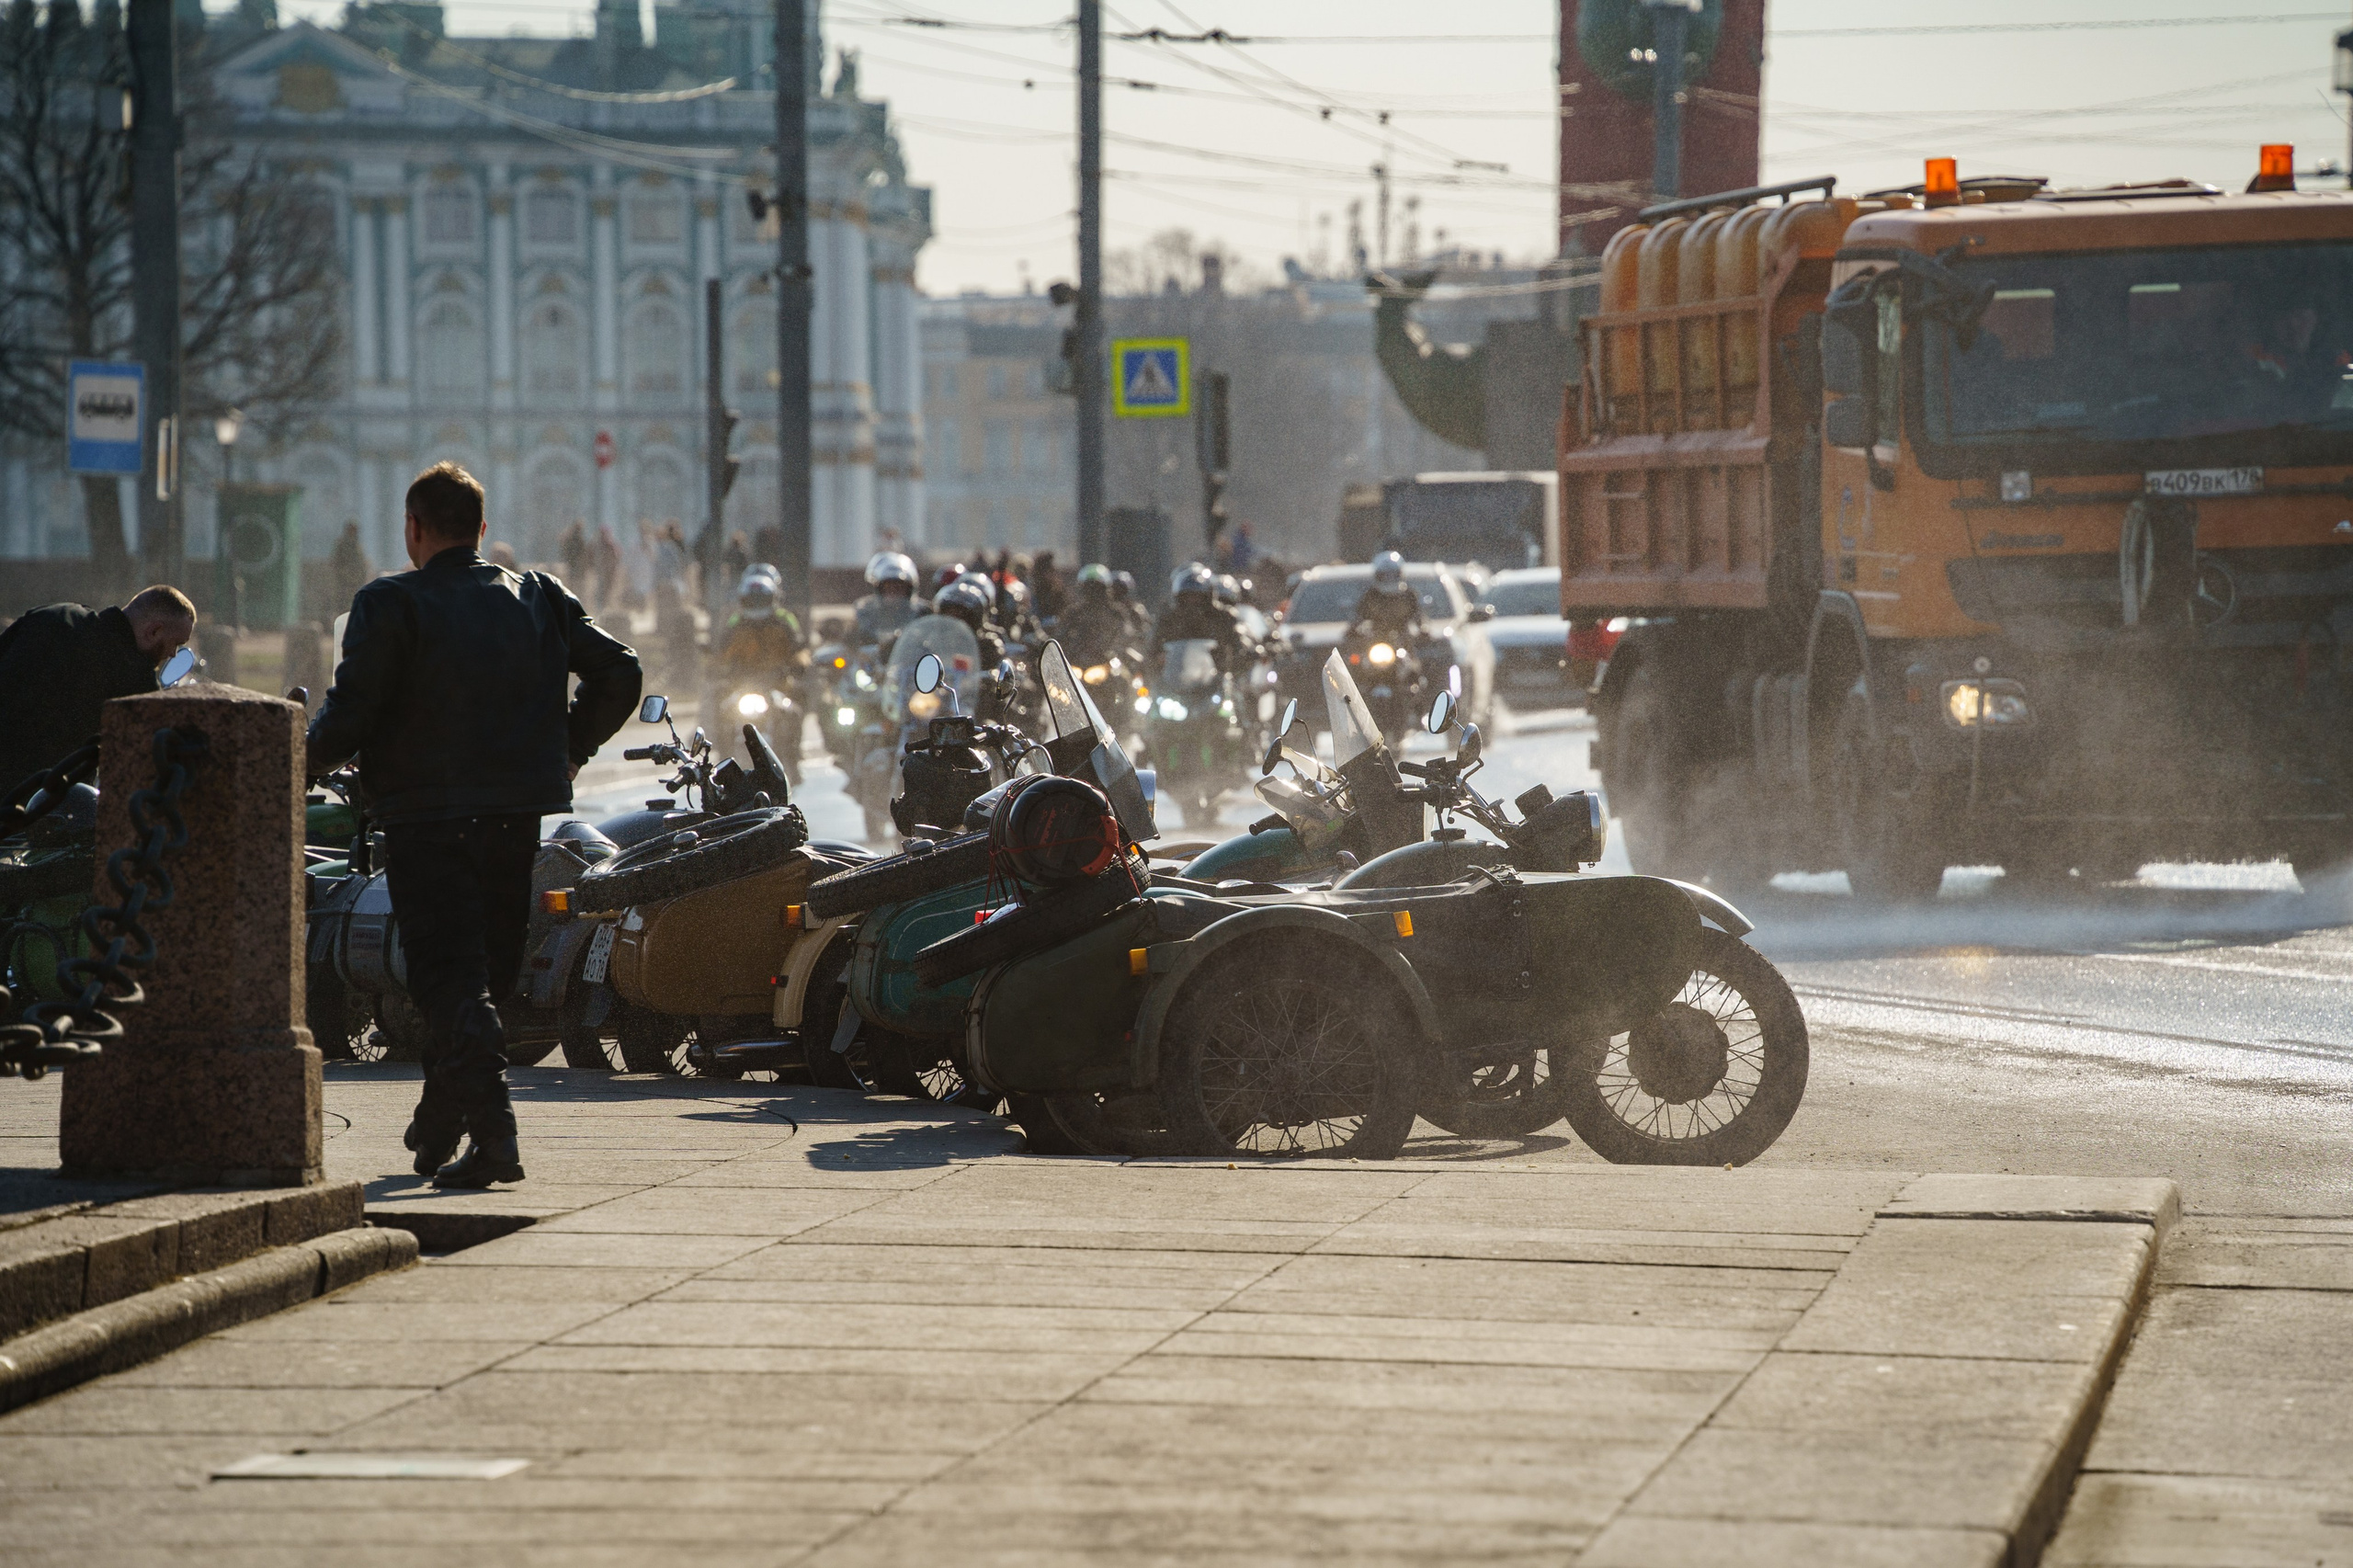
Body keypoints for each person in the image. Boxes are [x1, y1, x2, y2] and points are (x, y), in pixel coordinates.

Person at [307, 462, 639, 1189]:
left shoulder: (388, 602)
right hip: (513, 820)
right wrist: (570, 747)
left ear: (413, 528)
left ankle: (494, 1137)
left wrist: (293, 764)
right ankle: (439, 1121)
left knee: (445, 980)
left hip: (426, 820)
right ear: (482, 530)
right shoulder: (539, 596)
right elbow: (621, 672)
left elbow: (349, 716)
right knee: (478, 978)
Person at [0, 585, 197, 794]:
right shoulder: (136, 681)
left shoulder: (54, 615)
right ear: (154, 631)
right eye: (176, 644)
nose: (173, 654)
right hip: (47, 800)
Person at [714, 566, 805, 706]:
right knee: (721, 703)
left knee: (795, 705)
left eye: (762, 599)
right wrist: (717, 667)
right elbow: (724, 649)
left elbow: (797, 649)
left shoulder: (784, 621)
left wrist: (798, 665)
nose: (756, 604)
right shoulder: (737, 622)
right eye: (751, 600)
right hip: (742, 682)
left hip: (777, 681)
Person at [1150, 562, 1249, 676]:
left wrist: (1231, 666)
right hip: (1176, 678)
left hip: (1215, 677)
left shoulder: (1223, 617)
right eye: (1187, 597)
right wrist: (1158, 659)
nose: (1192, 602)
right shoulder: (1168, 619)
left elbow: (1238, 648)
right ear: (1180, 598)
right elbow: (1152, 649)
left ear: (1208, 597)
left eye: (1197, 597)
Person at [1055, 564, 1130, 668]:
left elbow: (1124, 636)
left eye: (1098, 588)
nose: (1093, 593)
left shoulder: (1116, 612)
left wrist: (1113, 653)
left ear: (1105, 589)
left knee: (1125, 675)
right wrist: (1064, 653)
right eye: (1089, 588)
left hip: (1107, 664)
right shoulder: (1073, 613)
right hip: (1077, 664)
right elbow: (1061, 637)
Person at [1349, 550, 1428, 646]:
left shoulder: (1408, 595)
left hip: (1403, 638)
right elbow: (1359, 615)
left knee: (1413, 653)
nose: (1388, 578)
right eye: (1384, 575)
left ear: (1400, 574)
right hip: (1377, 639)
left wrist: (1423, 629)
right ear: (1377, 575)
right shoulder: (1371, 595)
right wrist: (1352, 629)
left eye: (1393, 575)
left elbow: (1418, 615)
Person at [852, 551, 928, 647]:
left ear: (909, 590)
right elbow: (851, 645)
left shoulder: (923, 613)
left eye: (899, 587)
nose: (893, 592)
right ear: (879, 589)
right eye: (888, 587)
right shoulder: (865, 613)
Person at [932, 575, 1004, 669]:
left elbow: (991, 671)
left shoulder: (985, 647)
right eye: (949, 615)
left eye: (961, 617)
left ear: (974, 620)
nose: (954, 622)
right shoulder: (930, 642)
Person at [332, 520, 374, 609]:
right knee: (345, 602)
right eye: (352, 529)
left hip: (357, 580)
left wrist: (364, 571)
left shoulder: (357, 545)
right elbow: (336, 562)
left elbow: (361, 561)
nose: (353, 532)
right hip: (345, 580)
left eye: (355, 530)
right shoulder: (342, 545)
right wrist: (344, 573)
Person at [557, 520, 591, 593]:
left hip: (573, 561)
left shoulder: (571, 537)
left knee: (574, 579)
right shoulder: (576, 537)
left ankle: (574, 591)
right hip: (575, 561)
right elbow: (581, 550)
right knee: (576, 580)